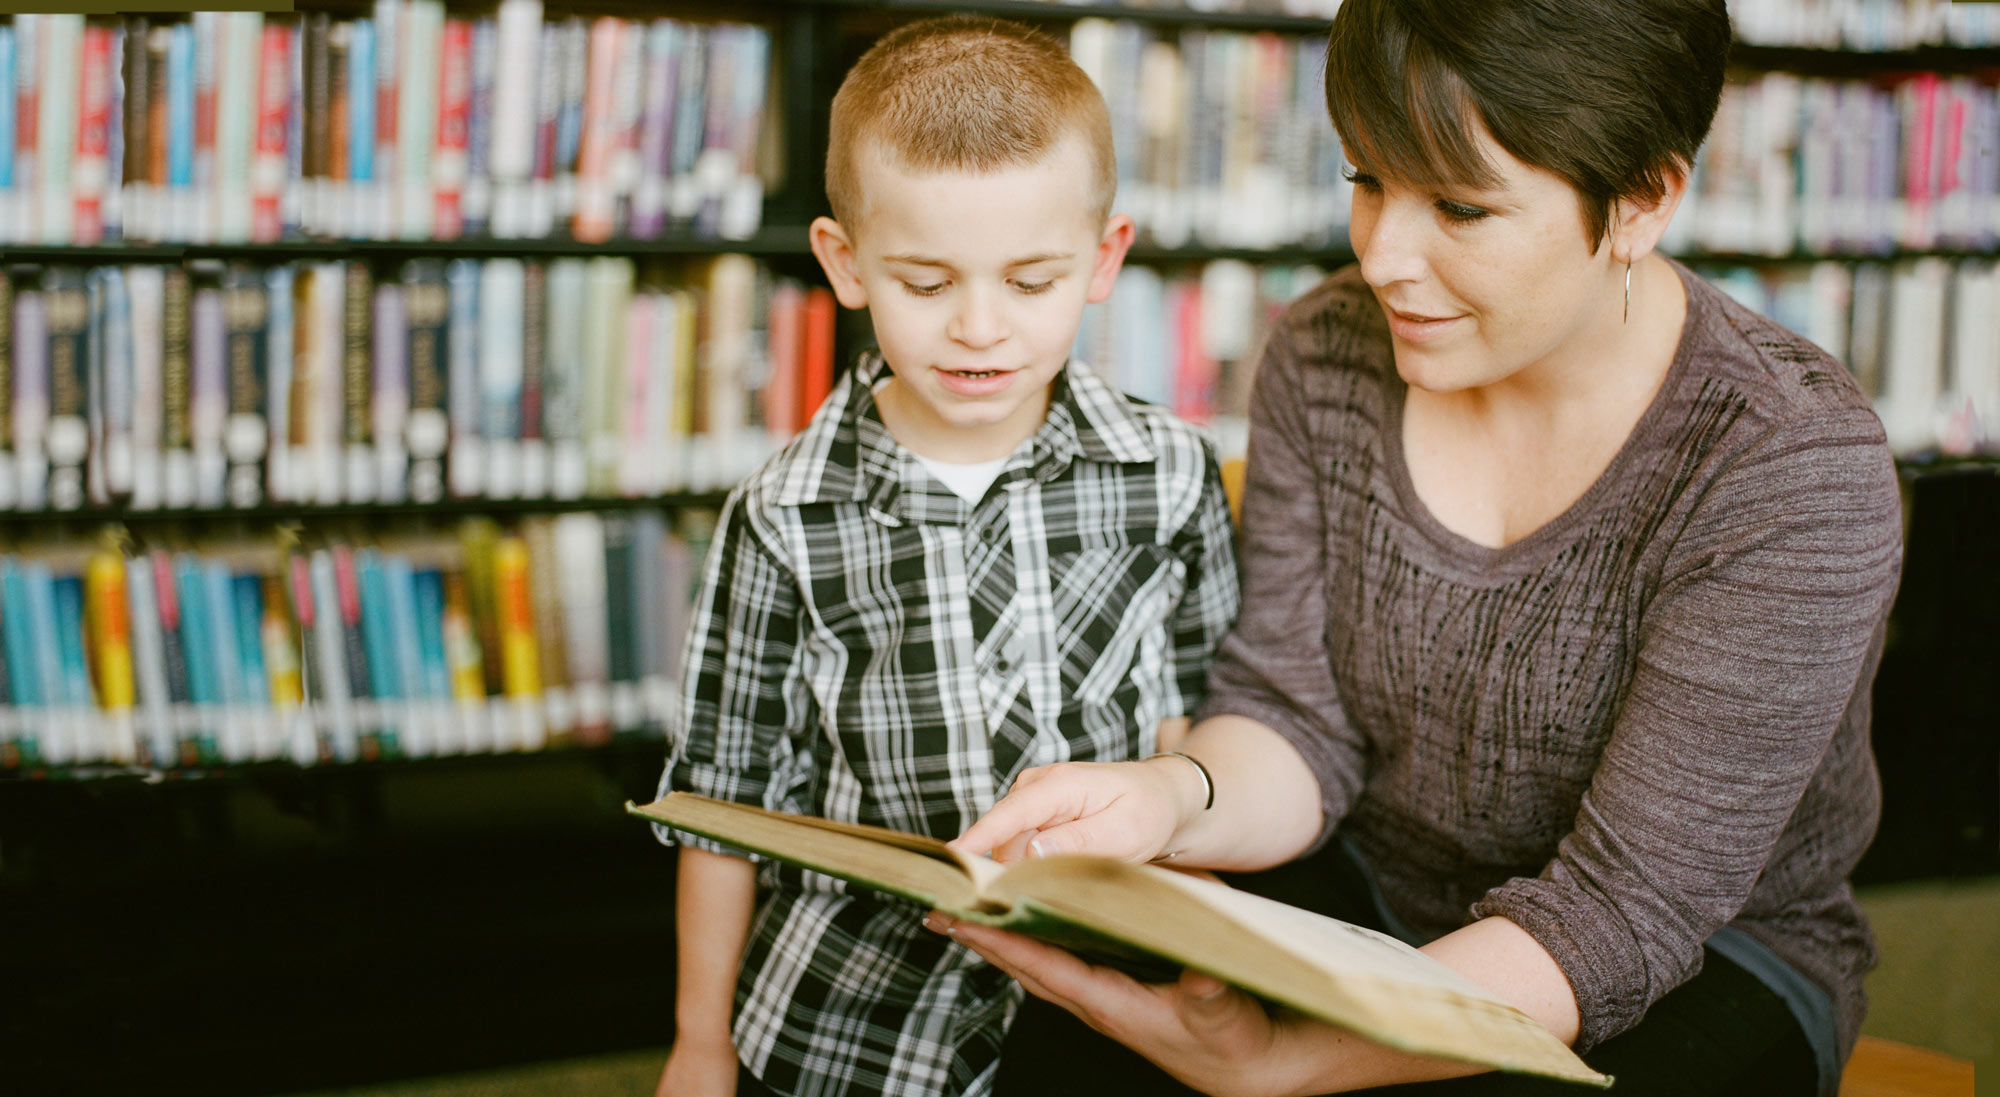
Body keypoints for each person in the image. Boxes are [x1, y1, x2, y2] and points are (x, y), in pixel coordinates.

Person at [941, 1, 1903, 1095]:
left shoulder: (1784, 462)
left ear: (1640, 200)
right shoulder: (1324, 349)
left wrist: (1287, 1060)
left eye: (1456, 204)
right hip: (1371, 884)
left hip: (1701, 960)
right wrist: (1167, 796)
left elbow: (1622, 912)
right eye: (1366, 179)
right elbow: (1295, 719)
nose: (1382, 254)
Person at [650, 16, 1241, 1097]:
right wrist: (698, 1041)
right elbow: (717, 798)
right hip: (854, 1019)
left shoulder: (1166, 471)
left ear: (1103, 258)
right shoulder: (782, 512)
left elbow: (1200, 715)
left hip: (1107, 1003)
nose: (979, 328)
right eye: (927, 282)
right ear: (846, 262)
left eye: (1029, 281)